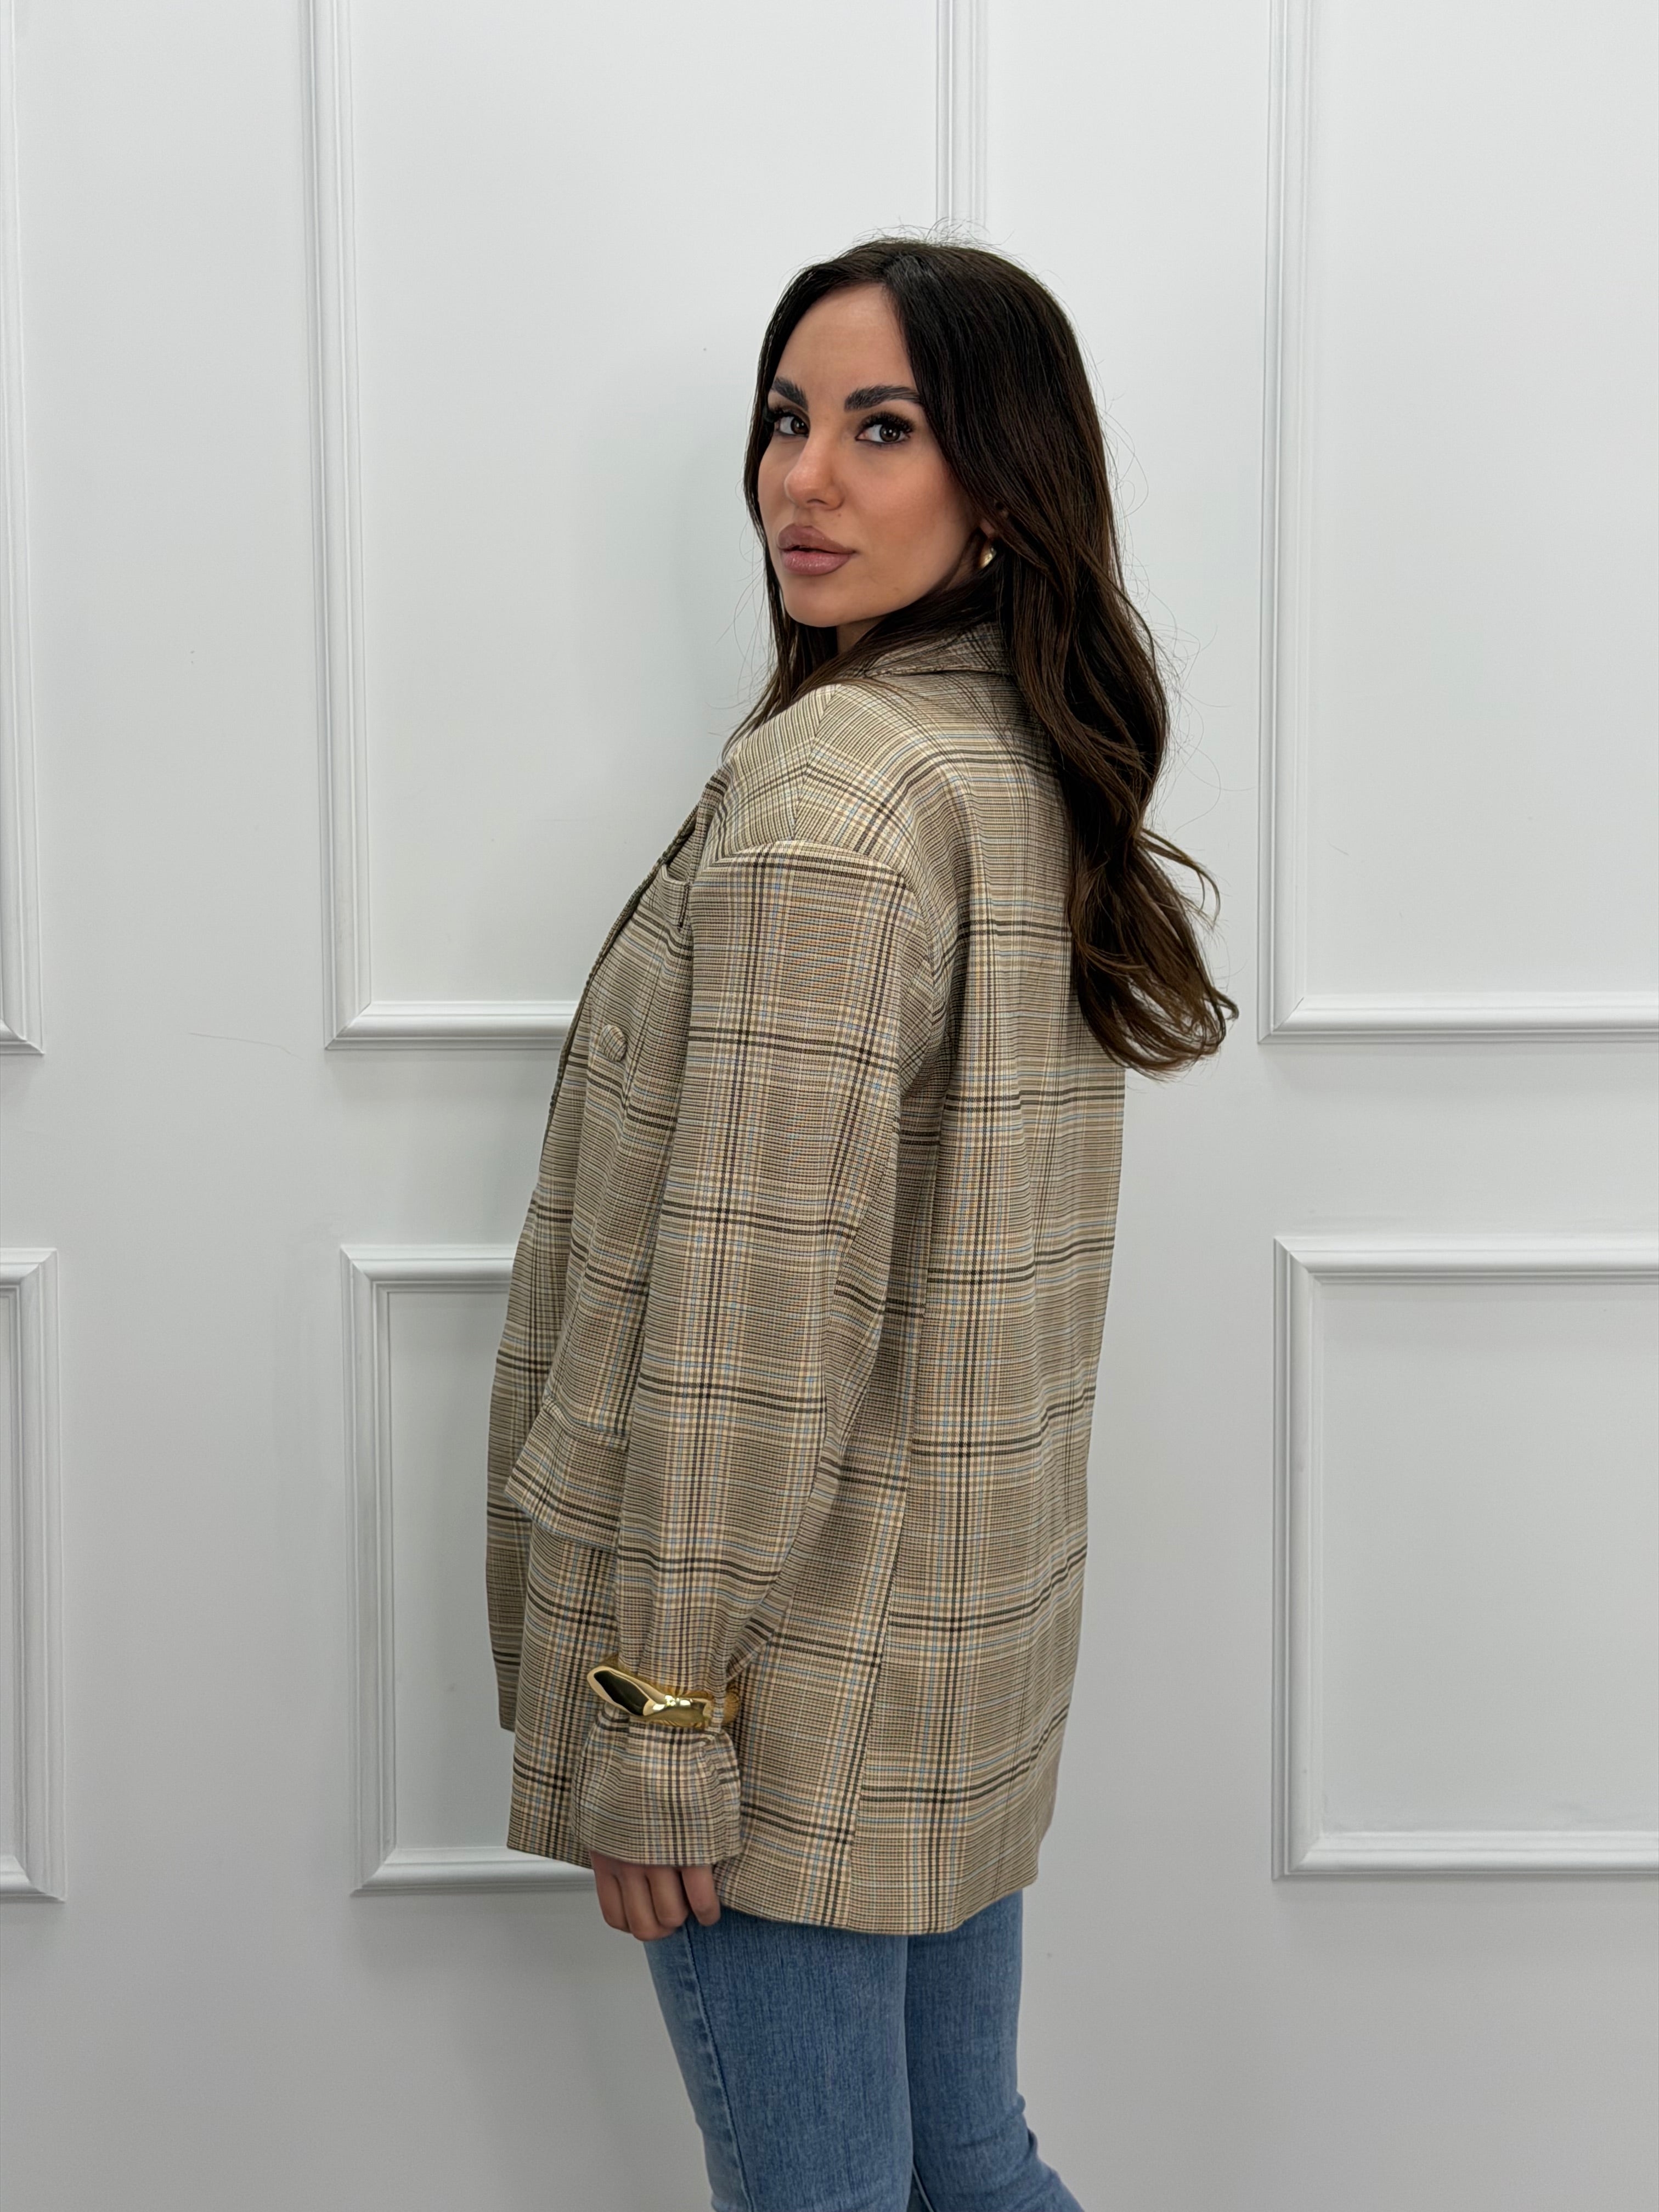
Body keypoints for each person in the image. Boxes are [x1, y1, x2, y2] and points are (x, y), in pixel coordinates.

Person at [484, 236, 1235, 2212]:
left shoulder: (837, 792)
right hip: (949, 1651)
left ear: (1004, 480)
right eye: (786, 420)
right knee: (972, 2166)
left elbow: (751, 1310)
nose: (803, 481)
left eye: (882, 428)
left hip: (785, 1694)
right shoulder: (1010, 751)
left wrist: (664, 1717)